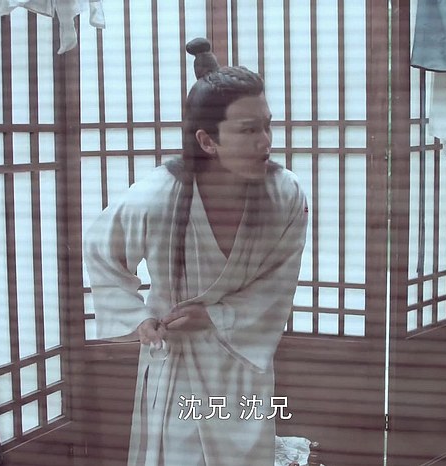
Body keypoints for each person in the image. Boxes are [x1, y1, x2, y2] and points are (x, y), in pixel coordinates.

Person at [84, 37, 308, 466]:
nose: (265, 141)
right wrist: (139, 318)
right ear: (208, 141)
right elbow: (101, 252)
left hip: (241, 362)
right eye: (248, 130)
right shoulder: (156, 197)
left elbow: (278, 282)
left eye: (267, 126)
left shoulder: (285, 194)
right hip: (178, 363)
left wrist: (216, 316)